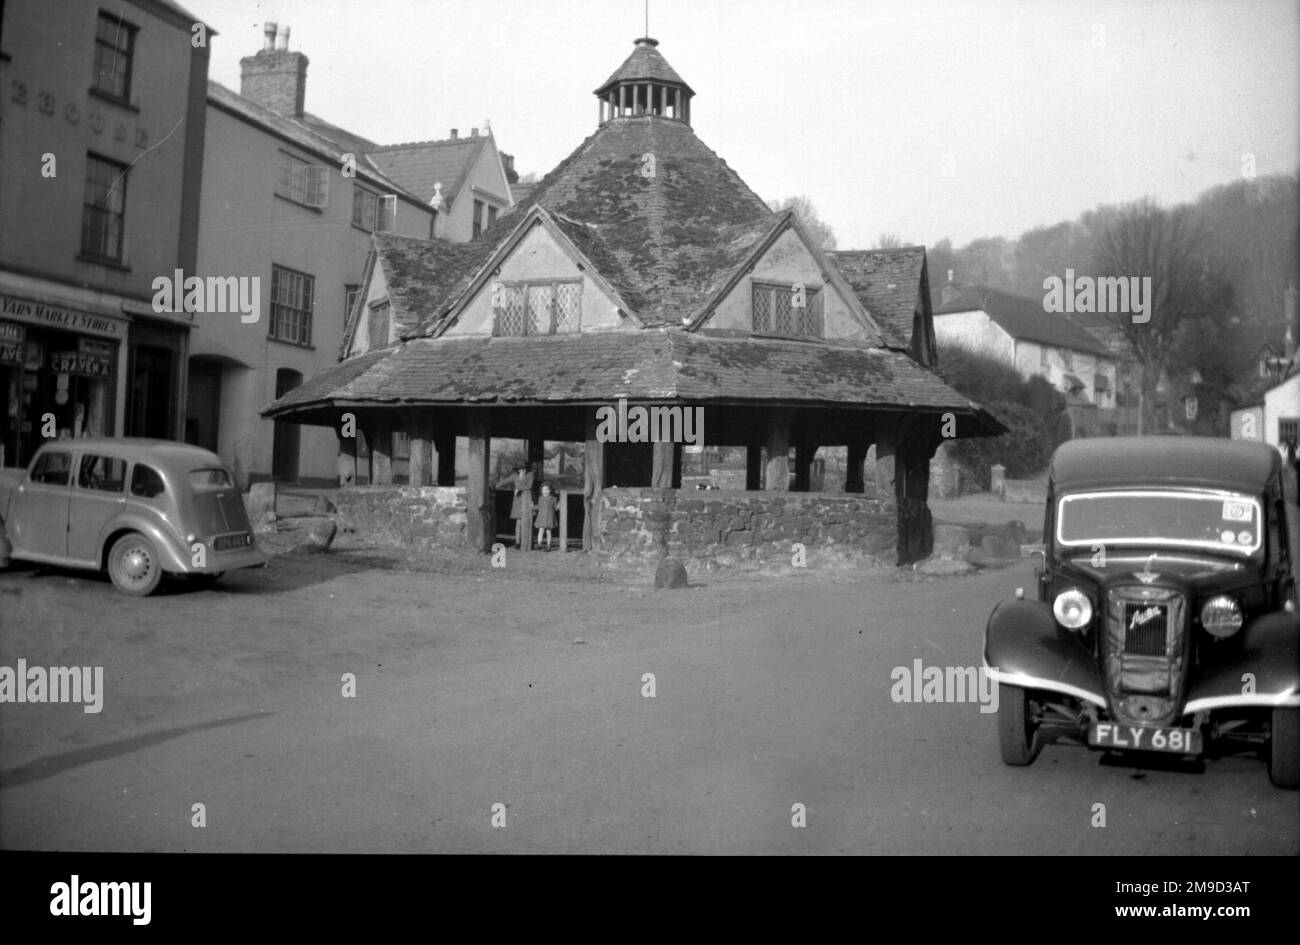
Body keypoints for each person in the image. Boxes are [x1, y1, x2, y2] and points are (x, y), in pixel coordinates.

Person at [497, 463, 535, 547]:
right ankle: (518, 541)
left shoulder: (530, 475)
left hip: (527, 498)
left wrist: (518, 488)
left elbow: (529, 486)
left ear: (526, 469)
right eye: (520, 469)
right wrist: (495, 486)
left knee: (528, 520)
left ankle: (528, 540)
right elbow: (504, 481)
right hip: (518, 500)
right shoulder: (515, 475)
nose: (522, 470)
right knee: (518, 522)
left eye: (524, 468)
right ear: (518, 470)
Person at [534, 482, 558, 550]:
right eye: (544, 490)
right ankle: (539, 544)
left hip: (550, 517)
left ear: (550, 490)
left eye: (547, 489)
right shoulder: (540, 498)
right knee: (540, 530)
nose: (545, 491)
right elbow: (539, 507)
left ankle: (548, 545)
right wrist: (533, 506)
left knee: (548, 531)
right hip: (541, 517)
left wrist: (560, 505)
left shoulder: (553, 499)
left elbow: (556, 507)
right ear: (541, 491)